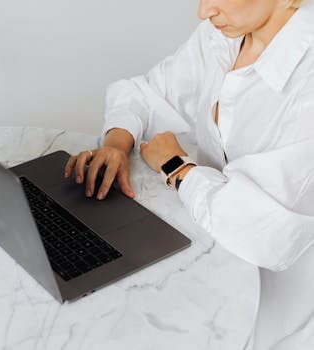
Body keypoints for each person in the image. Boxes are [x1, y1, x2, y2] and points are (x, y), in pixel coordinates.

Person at [64, 0, 314, 348]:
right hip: (208, 257)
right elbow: (149, 93)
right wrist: (117, 144)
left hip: (274, 310)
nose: (203, 11)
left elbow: (267, 231)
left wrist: (177, 168)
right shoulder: (224, 35)